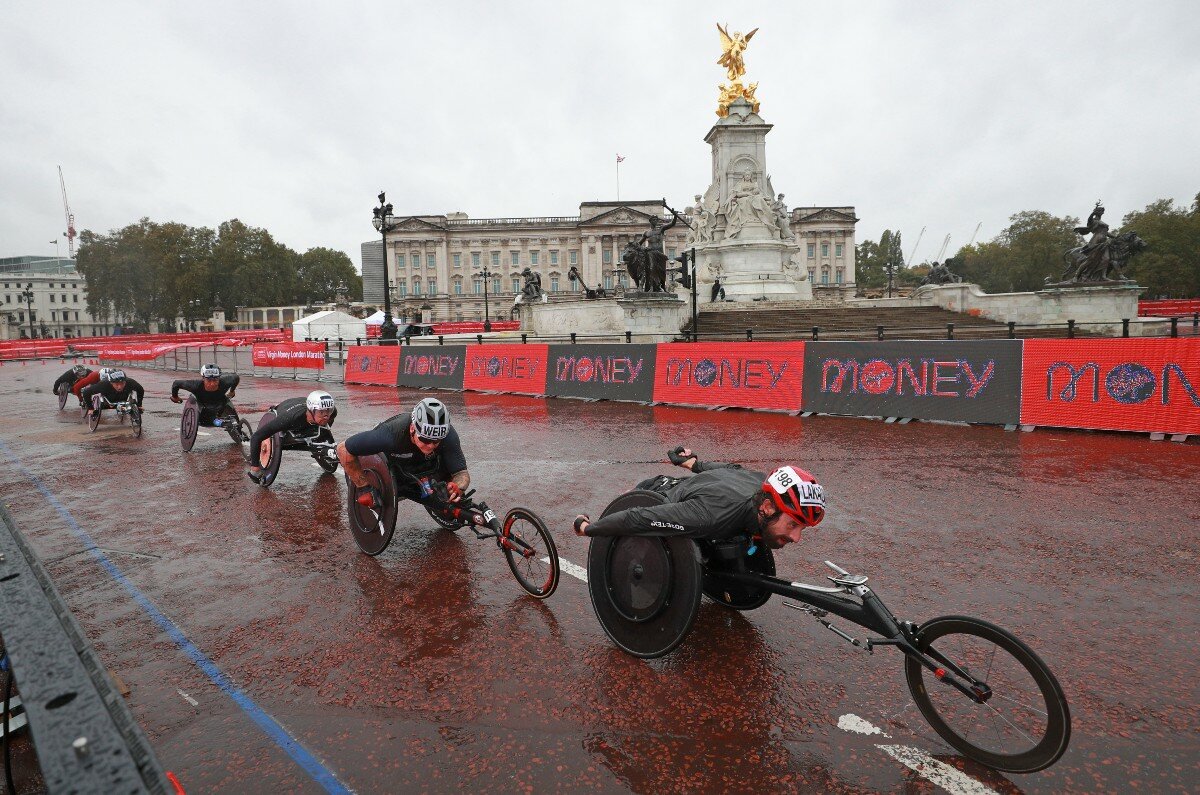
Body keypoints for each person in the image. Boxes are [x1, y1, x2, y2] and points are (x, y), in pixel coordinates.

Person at [572, 446, 825, 551]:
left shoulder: (760, 482)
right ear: (767, 507)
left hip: (689, 488)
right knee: (638, 513)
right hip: (653, 493)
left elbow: (731, 469)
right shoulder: (709, 517)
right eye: (793, 524)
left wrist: (692, 463)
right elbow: (638, 518)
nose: (796, 537)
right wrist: (588, 529)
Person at [337, 397, 470, 510]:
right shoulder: (389, 436)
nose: (430, 446)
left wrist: (457, 486)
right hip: (392, 460)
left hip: (418, 463)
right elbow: (343, 449)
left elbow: (461, 473)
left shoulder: (448, 435)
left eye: (436, 442)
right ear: (412, 428)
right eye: (425, 440)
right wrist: (363, 488)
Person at [247, 390, 337, 483]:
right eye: (321, 412)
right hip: (287, 410)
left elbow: (327, 423)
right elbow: (256, 437)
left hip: (302, 406)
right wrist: (255, 468)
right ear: (311, 411)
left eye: (329, 411)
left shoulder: (332, 413)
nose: (326, 416)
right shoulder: (290, 418)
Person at [170, 364, 240, 426]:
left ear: (219, 378)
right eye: (209, 380)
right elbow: (176, 383)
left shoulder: (225, 381)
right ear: (203, 378)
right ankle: (216, 421)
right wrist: (175, 397)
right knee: (206, 420)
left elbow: (236, 378)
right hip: (202, 407)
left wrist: (232, 391)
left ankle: (232, 424)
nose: (212, 383)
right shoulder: (195, 385)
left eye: (215, 380)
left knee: (234, 420)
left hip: (220, 404)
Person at [80, 368, 145, 418]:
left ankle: (129, 410)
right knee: (97, 409)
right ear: (111, 383)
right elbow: (86, 392)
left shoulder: (130, 382)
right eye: (116, 384)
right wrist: (91, 408)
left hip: (124, 398)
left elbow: (141, 390)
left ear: (125, 381)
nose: (119, 387)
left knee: (133, 402)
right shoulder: (103, 384)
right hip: (109, 400)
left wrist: (139, 405)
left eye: (122, 383)